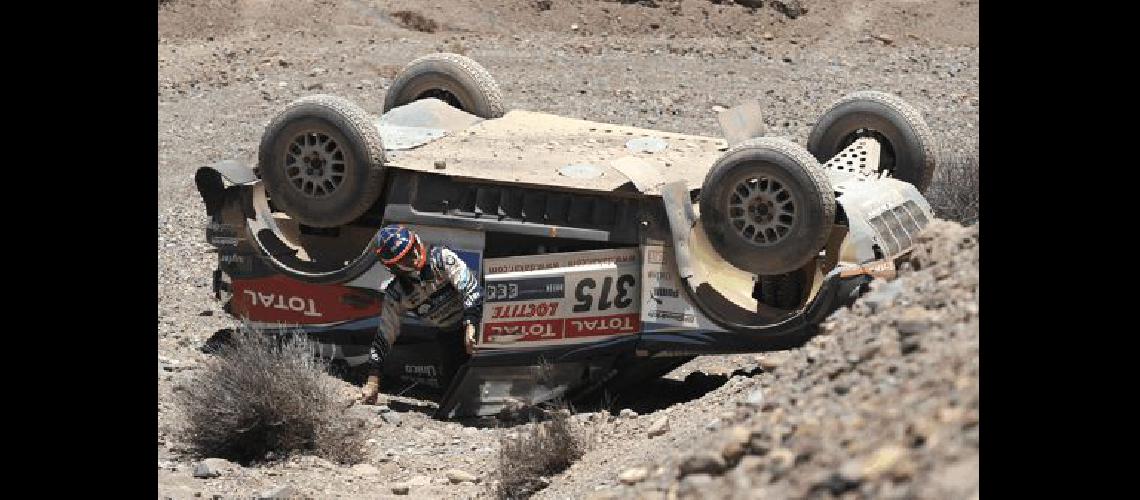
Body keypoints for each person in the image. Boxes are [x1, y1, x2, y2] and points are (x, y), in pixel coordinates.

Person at [359, 224, 483, 404]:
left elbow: (472, 290)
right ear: (394, 268)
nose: (414, 257)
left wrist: (471, 325)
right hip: (448, 337)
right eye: (405, 258)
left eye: (413, 249)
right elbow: (385, 336)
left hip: (476, 323)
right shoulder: (397, 293)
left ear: (417, 241)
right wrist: (372, 379)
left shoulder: (442, 258)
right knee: (454, 399)